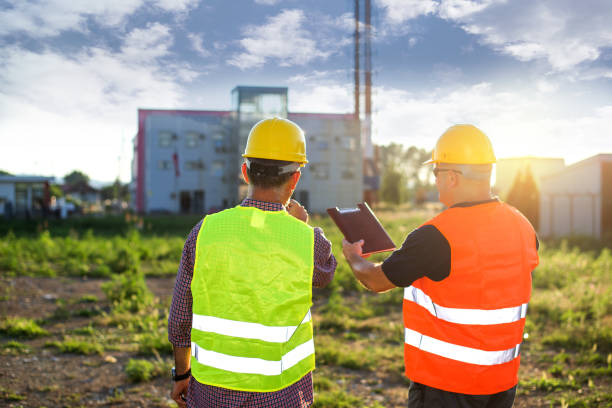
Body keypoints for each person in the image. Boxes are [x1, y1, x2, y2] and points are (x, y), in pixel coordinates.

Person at [342, 124, 539, 408]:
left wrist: (354, 257)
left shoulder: (436, 236)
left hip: (447, 385)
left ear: (452, 177)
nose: (434, 181)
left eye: (436, 173)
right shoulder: (522, 225)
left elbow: (376, 280)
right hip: (502, 381)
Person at [168, 117, 337, 408]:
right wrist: (302, 228)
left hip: (212, 392)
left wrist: (182, 373)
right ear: (295, 179)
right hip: (282, 394)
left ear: (245, 172)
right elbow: (325, 272)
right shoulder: (309, 241)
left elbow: (181, 317)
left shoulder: (204, 231)